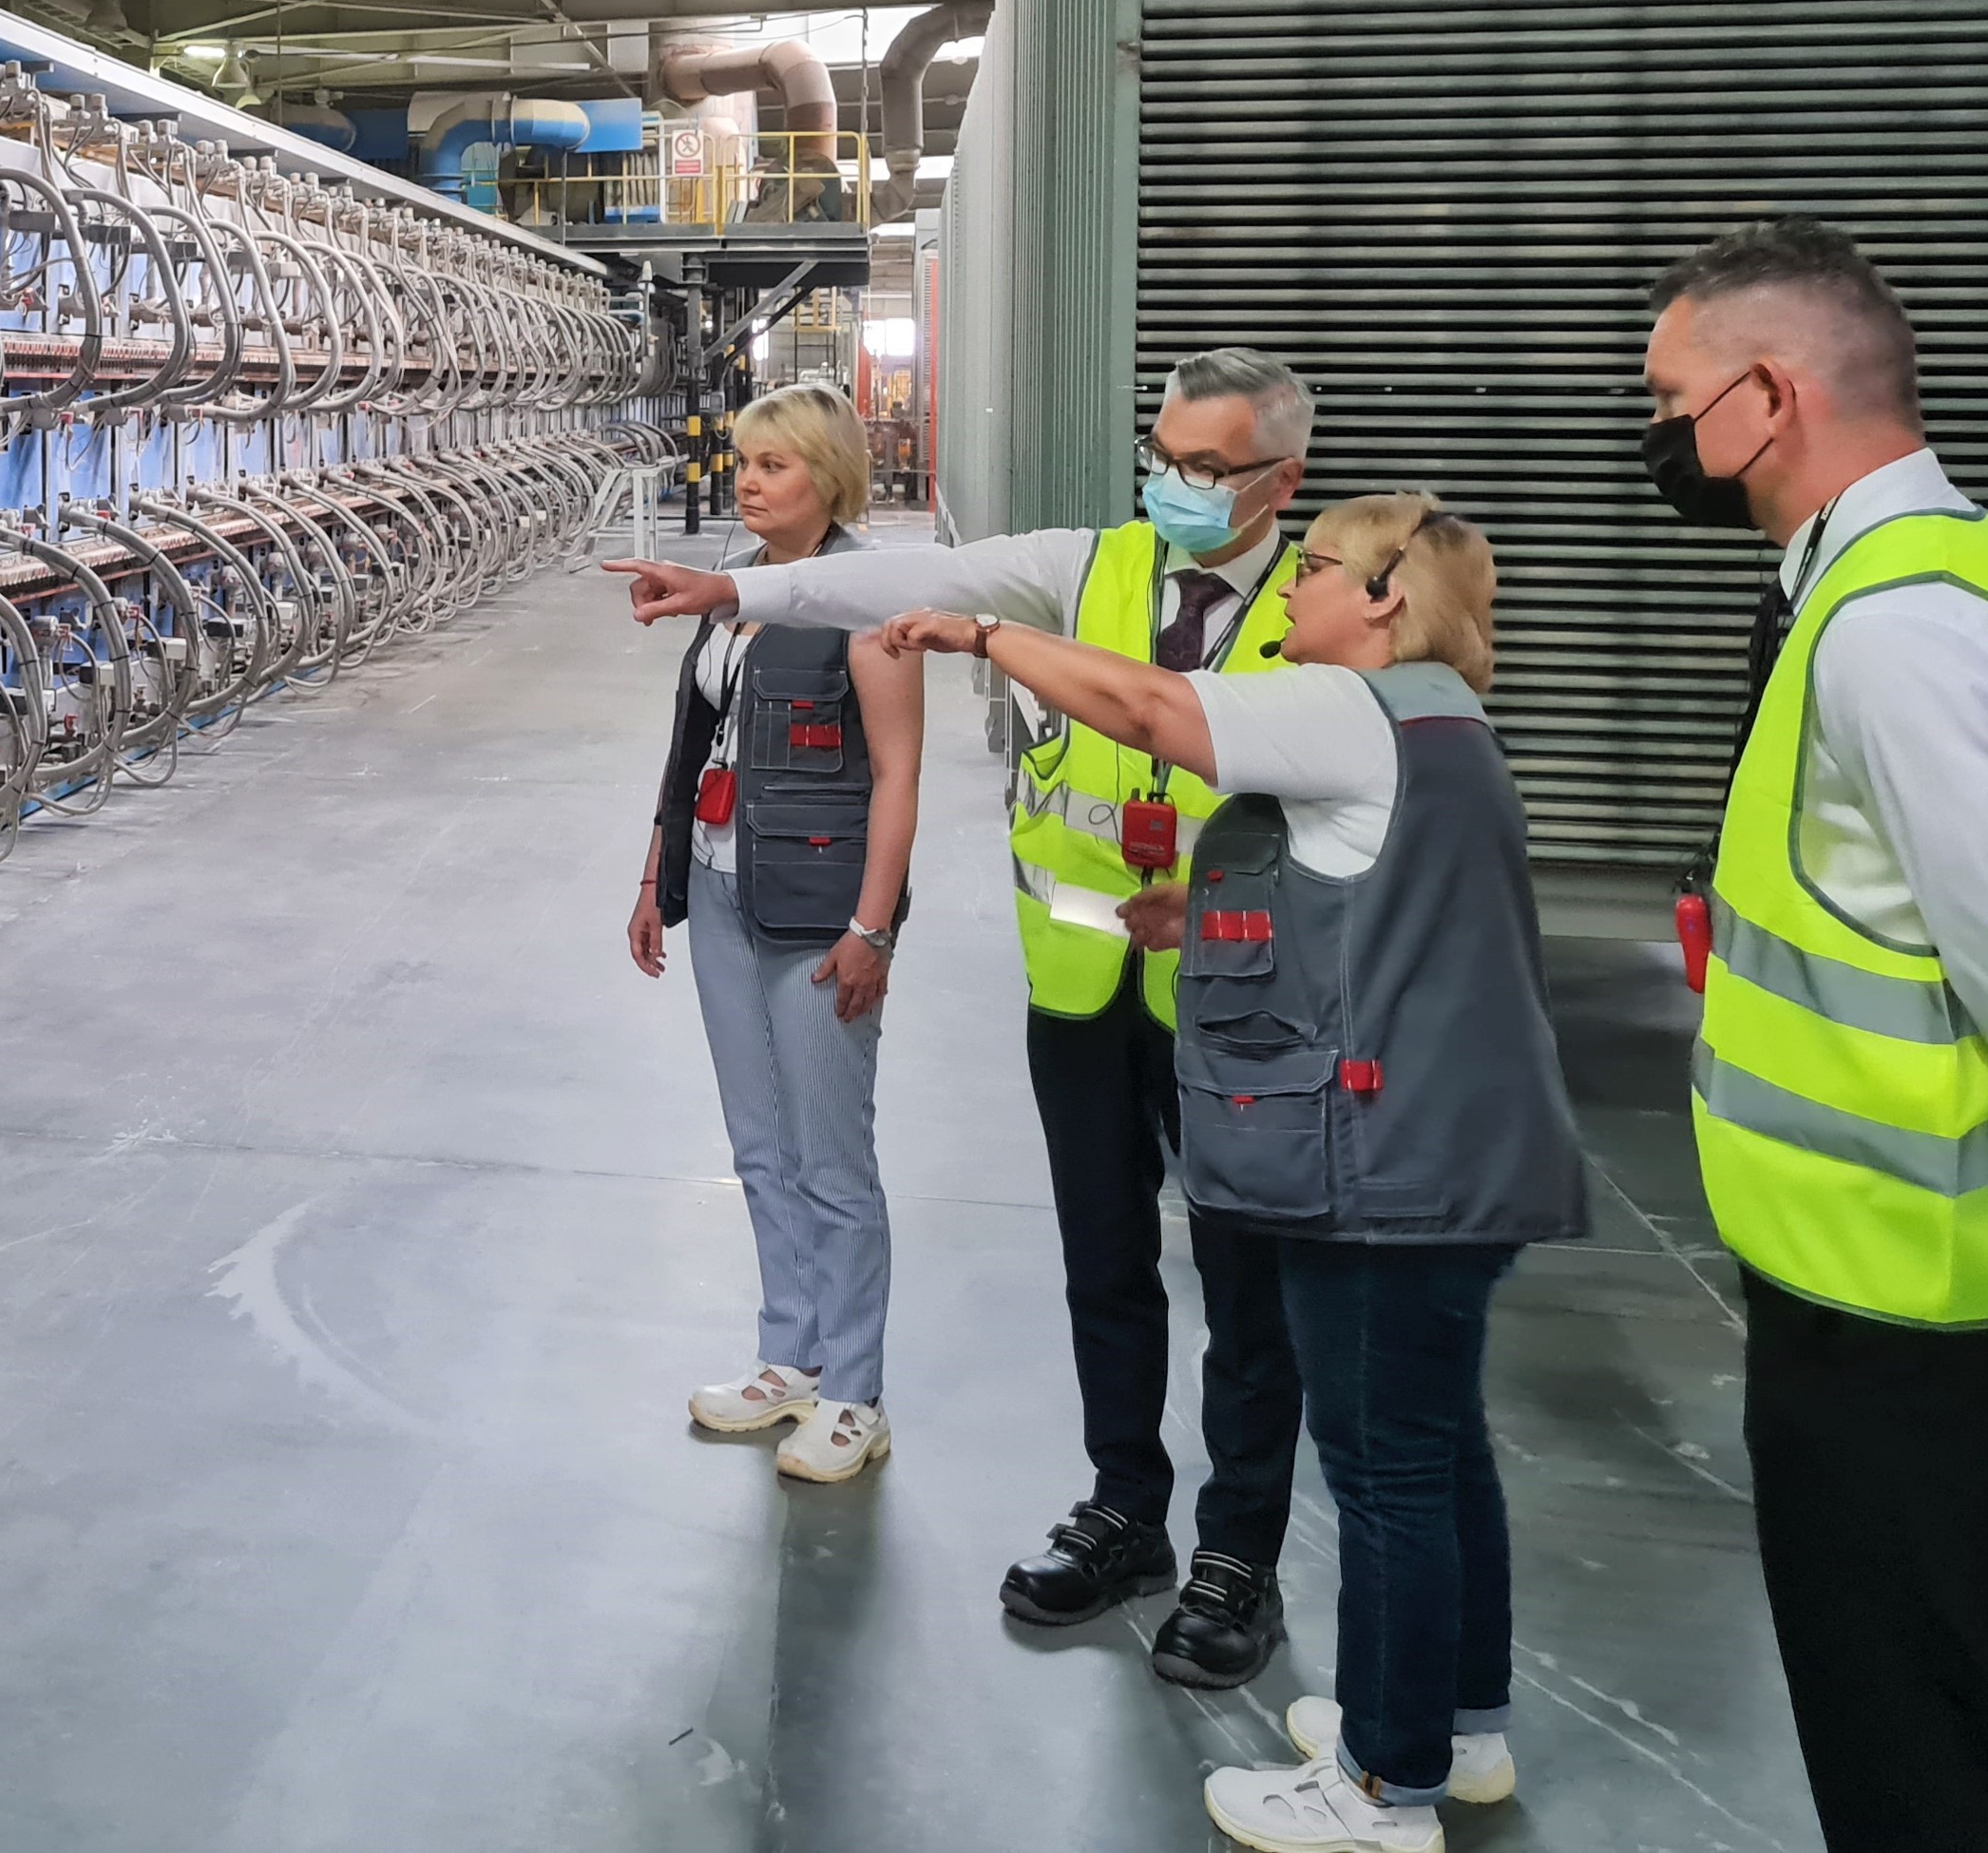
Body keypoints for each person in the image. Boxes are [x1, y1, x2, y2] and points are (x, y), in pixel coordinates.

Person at [887, 491, 1587, 1853]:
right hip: (1456, 1148)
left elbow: (1151, 708)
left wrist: (980, 632)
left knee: (1383, 1476)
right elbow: (1370, 904)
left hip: (1384, 1162)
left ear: (1384, 598)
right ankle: (1456, 1726)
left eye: (1315, 569)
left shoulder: (1349, 707)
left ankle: (1382, 1786)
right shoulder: (1439, 718)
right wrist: (1204, 904)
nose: (1293, 595)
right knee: (1438, 1453)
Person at [609, 347, 1312, 1686]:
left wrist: (873, 918)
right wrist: (735, 588)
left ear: (1282, 481)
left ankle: (1238, 1555)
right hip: (1081, 981)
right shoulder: (1089, 565)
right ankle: (1124, 1507)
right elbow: (897, 578)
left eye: (1207, 467)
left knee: (1245, 1287)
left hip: (1239, 997)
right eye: (1161, 455)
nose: (1173, 483)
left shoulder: (1320, 600)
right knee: (1104, 1262)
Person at [1640, 217, 1988, 1853]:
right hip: (1883, 1279)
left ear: (1770, 396)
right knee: (1911, 1715)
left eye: (1670, 399)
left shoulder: (1898, 631)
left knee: (1917, 1758)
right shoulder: (1885, 587)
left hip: (1917, 1305)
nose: (1658, 433)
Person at [630, 384, 927, 1483]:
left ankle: (854, 1391)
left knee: (829, 1156)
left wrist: (871, 926)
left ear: (828, 475)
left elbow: (896, 773)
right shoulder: (734, 587)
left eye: (774, 464)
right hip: (719, 891)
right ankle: (790, 1356)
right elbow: (692, 743)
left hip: (816, 907)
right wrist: (655, 871)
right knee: (759, 1144)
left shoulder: (865, 598)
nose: (747, 482)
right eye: (743, 461)